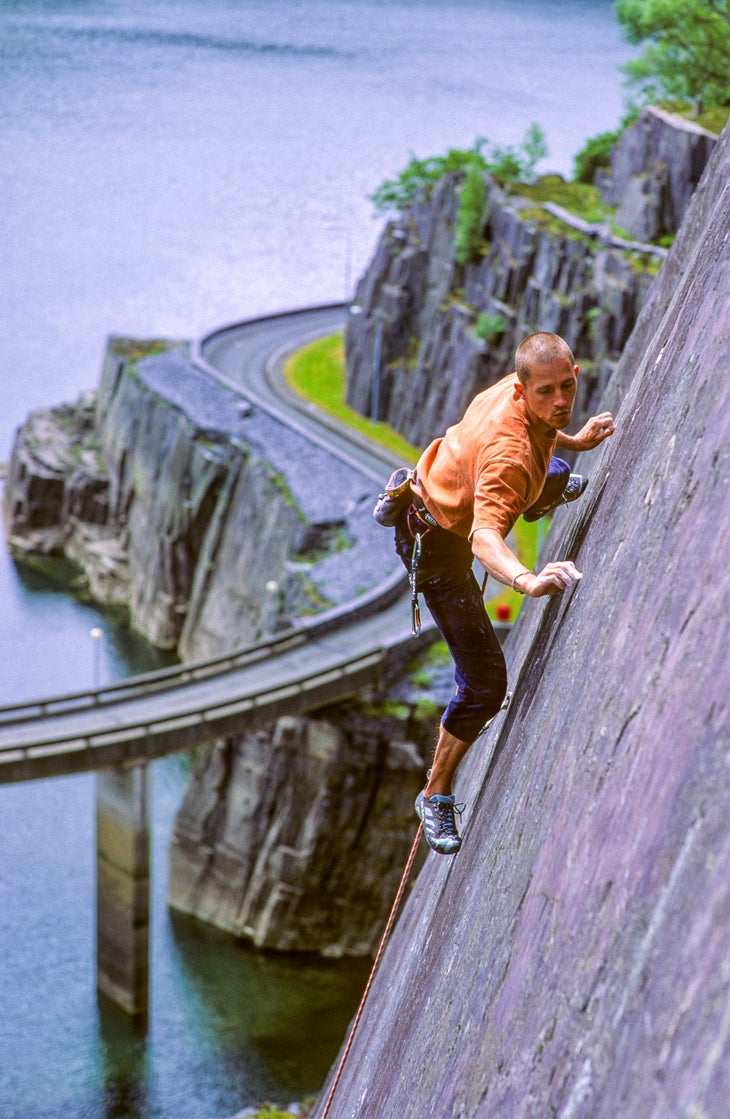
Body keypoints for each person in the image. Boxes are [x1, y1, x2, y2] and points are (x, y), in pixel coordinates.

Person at [393, 331, 615, 854]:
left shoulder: (521, 395)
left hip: (451, 484)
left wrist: (578, 441)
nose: (560, 401)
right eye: (546, 392)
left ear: (574, 375)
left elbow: (544, 423)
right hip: (439, 545)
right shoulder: (508, 458)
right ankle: (435, 793)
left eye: (566, 386)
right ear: (522, 389)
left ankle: (543, 492)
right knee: (486, 685)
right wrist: (527, 580)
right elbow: (484, 536)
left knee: (553, 471)